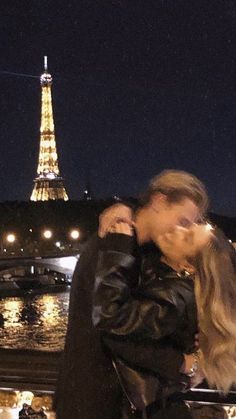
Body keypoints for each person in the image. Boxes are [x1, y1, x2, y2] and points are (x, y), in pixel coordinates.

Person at [55, 170, 209, 419]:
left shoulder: (144, 250)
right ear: (159, 201)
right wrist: (184, 363)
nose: (182, 232)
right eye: (182, 221)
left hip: (119, 398)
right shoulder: (112, 244)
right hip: (98, 401)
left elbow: (150, 321)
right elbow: (113, 330)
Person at [94, 220, 236, 418]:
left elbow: (110, 319)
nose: (176, 228)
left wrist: (118, 248)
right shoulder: (182, 287)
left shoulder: (174, 295)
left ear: (188, 265)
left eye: (187, 236)